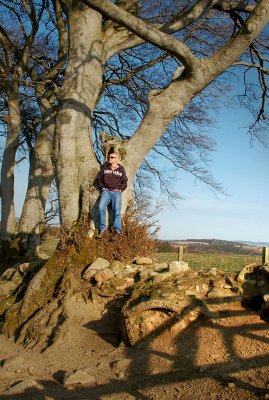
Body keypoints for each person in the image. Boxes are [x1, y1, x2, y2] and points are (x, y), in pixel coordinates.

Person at [96, 153, 128, 240]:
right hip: (106, 191)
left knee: (117, 211)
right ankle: (102, 229)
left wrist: (120, 189)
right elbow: (99, 179)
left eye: (112, 157)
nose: (109, 158)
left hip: (116, 192)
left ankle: (117, 231)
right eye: (109, 157)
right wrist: (102, 187)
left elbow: (125, 181)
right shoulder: (105, 168)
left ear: (117, 159)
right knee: (100, 207)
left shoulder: (121, 170)